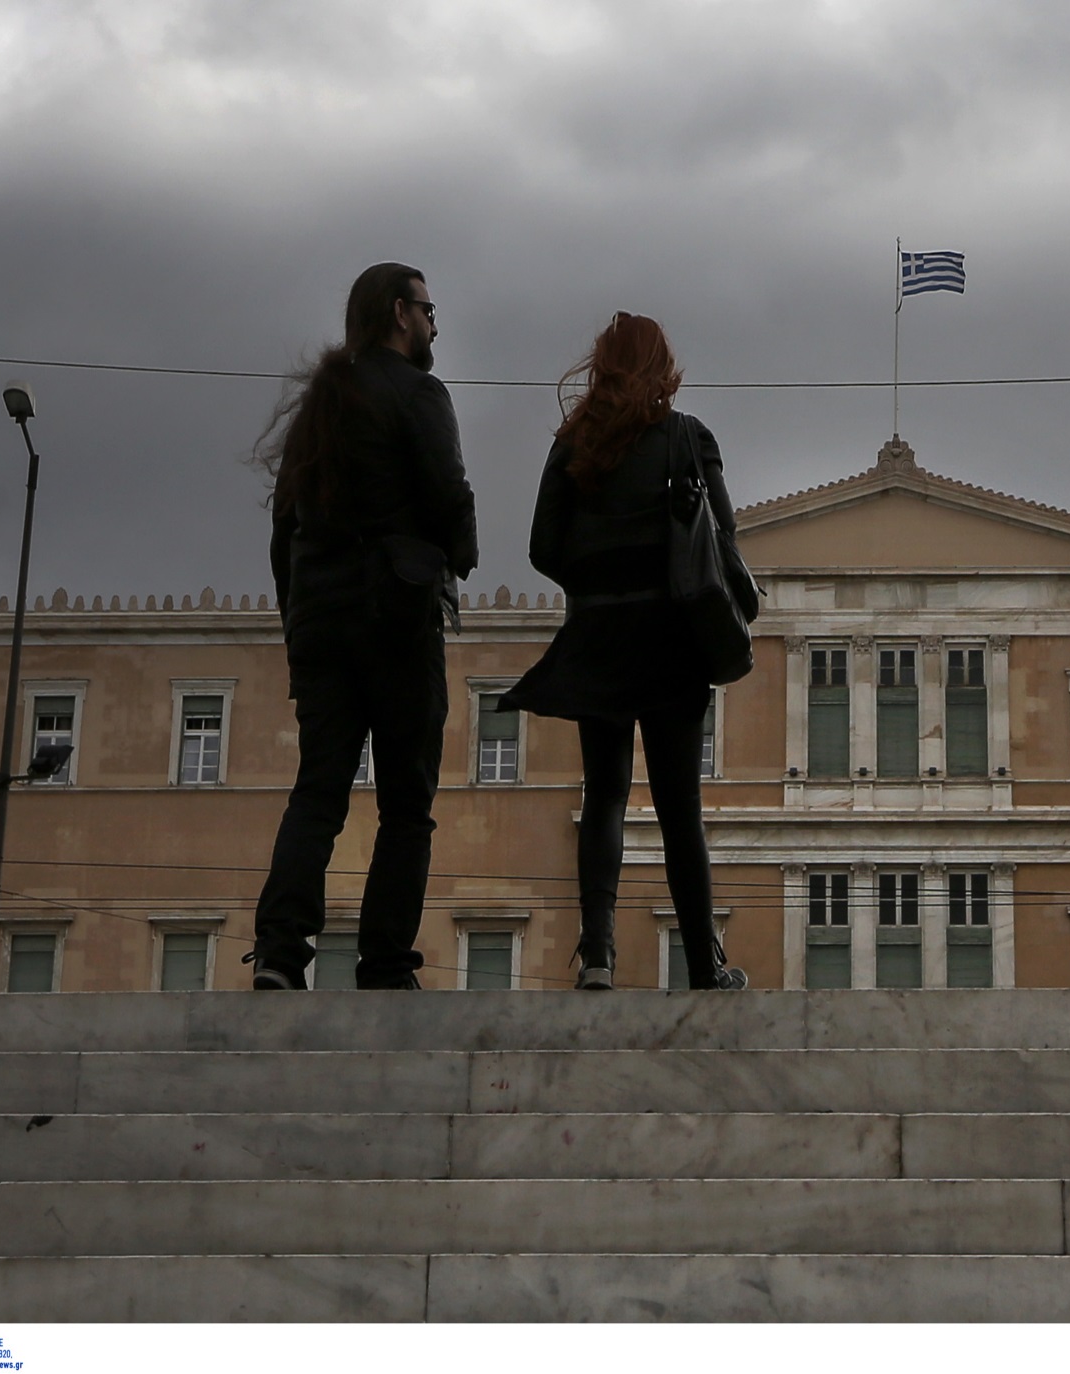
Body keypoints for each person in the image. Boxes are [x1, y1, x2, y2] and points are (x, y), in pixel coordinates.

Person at [246, 262, 478, 990]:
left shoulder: (322, 403)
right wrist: (461, 551)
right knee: (407, 805)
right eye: (429, 308)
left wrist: (297, 627)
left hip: (320, 623)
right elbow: (447, 491)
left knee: (319, 790)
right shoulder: (419, 392)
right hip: (397, 619)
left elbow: (284, 529)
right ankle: (383, 963)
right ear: (400, 313)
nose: (436, 322)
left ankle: (282, 953)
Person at [505, 312, 747, 991]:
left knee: (605, 794)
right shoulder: (686, 436)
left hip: (599, 637)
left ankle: (599, 955)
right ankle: (703, 965)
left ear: (603, 364)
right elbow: (724, 536)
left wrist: (595, 583)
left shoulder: (572, 442)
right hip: (671, 641)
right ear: (661, 368)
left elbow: (542, 547)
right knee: (679, 810)